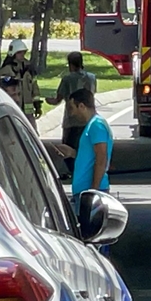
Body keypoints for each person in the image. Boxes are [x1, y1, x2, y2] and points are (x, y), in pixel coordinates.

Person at [53, 88, 113, 256]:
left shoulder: (97, 126)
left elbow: (101, 157)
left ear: (81, 106)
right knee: (86, 238)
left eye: (72, 108)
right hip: (85, 191)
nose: (71, 113)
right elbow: (91, 157)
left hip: (91, 191)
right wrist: (72, 153)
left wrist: (93, 190)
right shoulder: (92, 126)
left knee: (93, 240)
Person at [48, 52, 98, 176]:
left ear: (70, 64)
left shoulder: (67, 79)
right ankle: (86, 169)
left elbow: (58, 99)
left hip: (72, 120)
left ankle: (73, 171)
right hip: (88, 119)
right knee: (87, 146)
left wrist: (48, 100)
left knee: (68, 148)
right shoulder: (92, 78)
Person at [0, 38, 42, 133]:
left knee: (33, 134)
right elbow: (1, 89)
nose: (22, 55)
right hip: (13, 109)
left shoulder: (29, 68)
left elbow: (34, 86)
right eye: (19, 52)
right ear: (13, 53)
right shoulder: (6, 70)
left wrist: (37, 105)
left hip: (28, 112)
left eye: (23, 52)